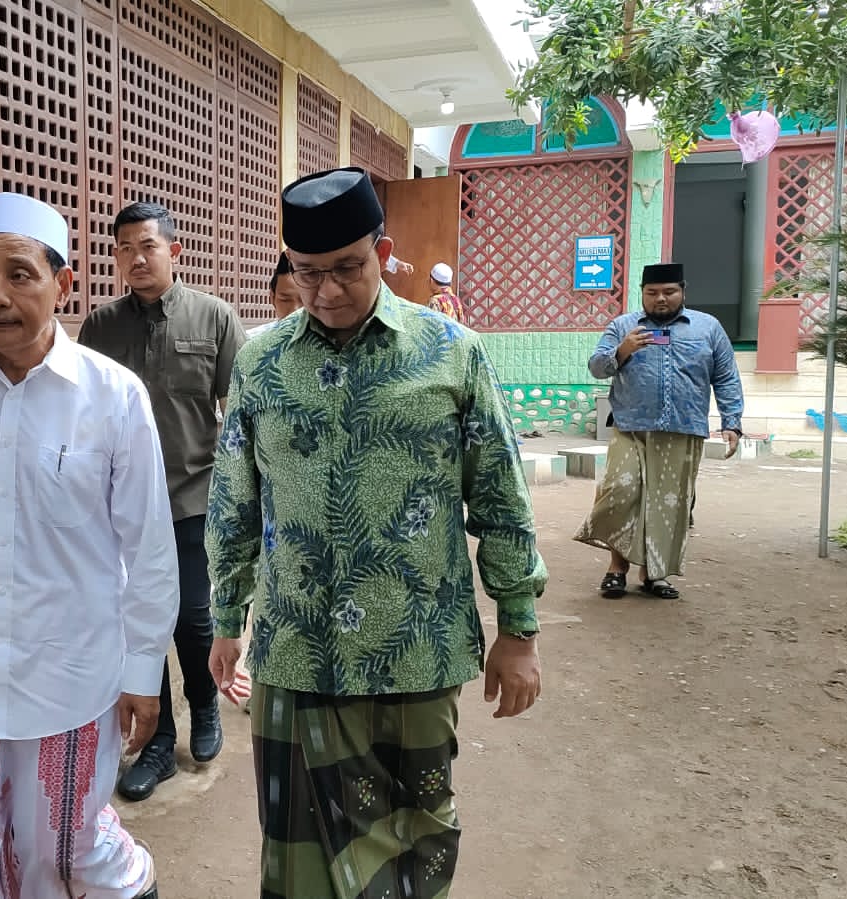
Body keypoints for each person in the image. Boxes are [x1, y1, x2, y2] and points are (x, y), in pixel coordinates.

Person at [205, 167, 547, 899]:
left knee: (416, 835)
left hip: (415, 650)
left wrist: (518, 626)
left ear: (382, 251)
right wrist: (227, 617)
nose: (325, 292)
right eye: (306, 273)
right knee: (296, 853)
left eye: (347, 269)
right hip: (296, 654)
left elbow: (498, 495)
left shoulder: (450, 352)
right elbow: (233, 499)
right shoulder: (261, 364)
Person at [0, 192, 176, 899]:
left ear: (62, 283)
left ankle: (137, 884)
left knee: (66, 853)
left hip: (67, 678)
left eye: (18, 274)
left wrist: (143, 670)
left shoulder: (113, 396)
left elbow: (149, 548)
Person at [78, 202, 247, 801]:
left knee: (191, 615)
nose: (136, 258)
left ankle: (204, 707)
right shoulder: (100, 327)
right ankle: (157, 743)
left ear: (174, 251)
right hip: (119, 507)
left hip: (192, 494)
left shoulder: (215, 318)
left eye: (147, 245)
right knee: (136, 621)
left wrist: (240, 497)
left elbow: (242, 415)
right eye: (124, 248)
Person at [576, 263, 744, 600]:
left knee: (669, 504)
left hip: (684, 429)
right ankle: (616, 569)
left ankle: (656, 574)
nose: (661, 299)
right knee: (621, 493)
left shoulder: (708, 327)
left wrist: (732, 422)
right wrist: (622, 351)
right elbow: (596, 367)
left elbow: (726, 376)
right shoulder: (623, 326)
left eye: (669, 292)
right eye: (652, 293)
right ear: (642, 293)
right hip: (631, 428)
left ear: (683, 290)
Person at [247, 253, 302, 338]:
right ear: (272, 298)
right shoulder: (249, 342)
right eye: (285, 300)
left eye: (304, 301)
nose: (295, 310)